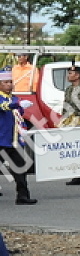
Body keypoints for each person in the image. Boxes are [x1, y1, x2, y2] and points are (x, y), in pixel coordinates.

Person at [0, 71, 37, 205]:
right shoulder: (3, 99)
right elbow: (4, 107)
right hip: (1, 140)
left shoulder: (15, 98)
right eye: (5, 82)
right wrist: (17, 105)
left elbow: (19, 114)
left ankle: (22, 196)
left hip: (14, 141)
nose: (9, 85)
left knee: (20, 168)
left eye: (10, 82)